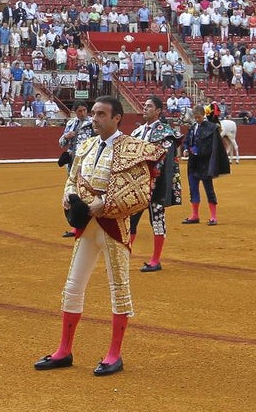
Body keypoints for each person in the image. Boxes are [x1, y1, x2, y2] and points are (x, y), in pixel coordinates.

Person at [34, 96, 165, 377]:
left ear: (117, 117)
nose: (95, 119)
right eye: (93, 114)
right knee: (72, 286)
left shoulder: (134, 149)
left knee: (119, 289)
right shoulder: (86, 145)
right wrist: (69, 199)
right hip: (86, 227)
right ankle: (64, 350)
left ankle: (114, 354)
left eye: (102, 114)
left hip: (114, 227)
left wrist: (101, 205)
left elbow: (142, 194)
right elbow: (72, 179)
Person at [128, 96, 182, 272]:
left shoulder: (166, 132)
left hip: (155, 185)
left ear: (158, 111)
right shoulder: (137, 132)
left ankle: (155, 260)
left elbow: (163, 159)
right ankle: (123, 258)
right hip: (137, 185)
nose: (145, 108)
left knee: (157, 221)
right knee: (130, 222)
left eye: (149, 106)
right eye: (144, 106)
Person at [181, 103, 231, 224]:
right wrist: (186, 149)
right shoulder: (193, 128)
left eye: (199, 117)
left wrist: (199, 151)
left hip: (205, 163)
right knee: (193, 188)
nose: (197, 119)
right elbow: (187, 141)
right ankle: (194, 215)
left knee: (209, 189)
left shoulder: (211, 128)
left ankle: (213, 217)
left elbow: (213, 147)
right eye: (195, 117)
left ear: (203, 115)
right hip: (193, 163)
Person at [57, 101, 95, 237]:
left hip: (87, 164)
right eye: (80, 111)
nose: (83, 113)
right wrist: (66, 137)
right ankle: (76, 224)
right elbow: (61, 143)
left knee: (86, 192)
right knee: (72, 192)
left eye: (85, 110)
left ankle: (89, 224)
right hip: (72, 164)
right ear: (75, 112)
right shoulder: (70, 123)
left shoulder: (92, 123)